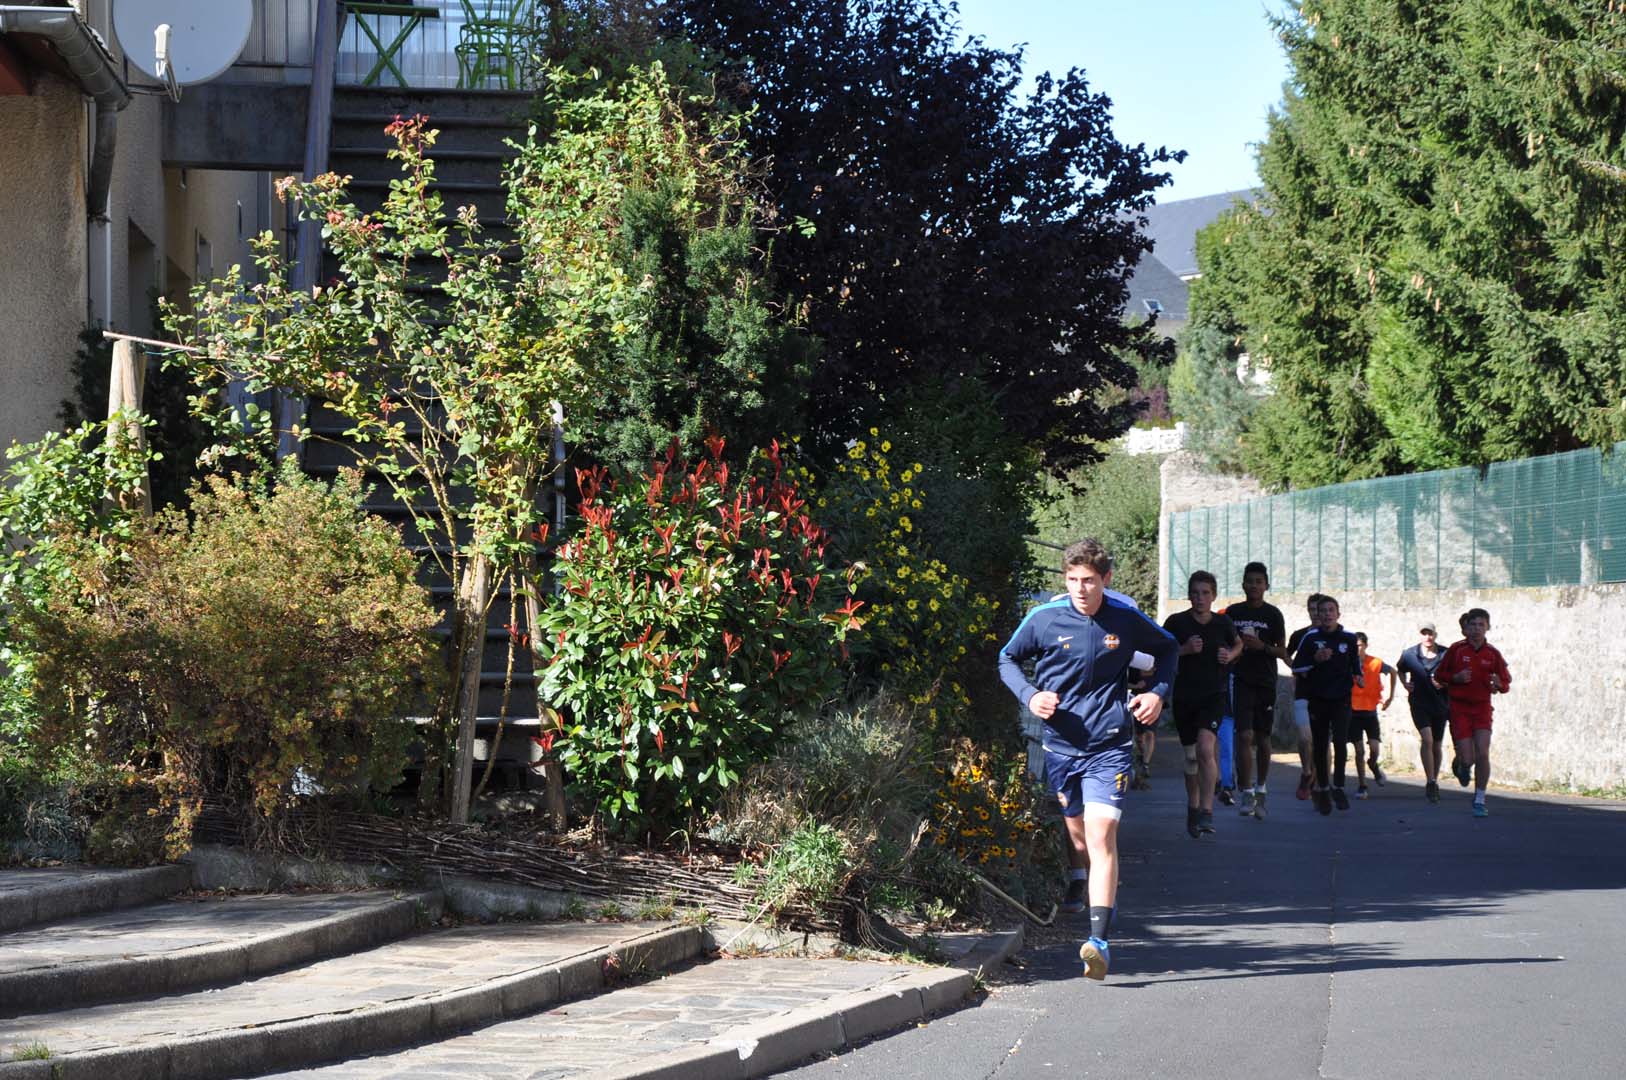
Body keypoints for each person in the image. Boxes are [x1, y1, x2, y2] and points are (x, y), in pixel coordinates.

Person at [999, 538, 1177, 979]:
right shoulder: (1043, 619)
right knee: (1078, 838)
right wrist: (1030, 694)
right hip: (1061, 746)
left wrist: (1156, 694)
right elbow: (1006, 659)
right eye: (1074, 580)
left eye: (1090, 581)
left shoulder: (1125, 618)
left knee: (1102, 838)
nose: (1081, 589)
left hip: (1110, 744)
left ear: (1106, 580)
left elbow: (1170, 649)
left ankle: (1097, 941)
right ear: (1066, 579)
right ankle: (1082, 879)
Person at [1162, 571, 1242, 839]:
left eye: (1205, 593)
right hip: (1185, 696)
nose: (1200, 598)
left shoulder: (1223, 622)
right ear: (1189, 595)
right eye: (1195, 593)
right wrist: (1184, 649)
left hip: (1214, 695)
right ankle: (1193, 806)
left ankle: (1207, 812)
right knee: (1191, 757)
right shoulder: (1176, 622)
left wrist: (1230, 654)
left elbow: (1239, 643)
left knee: (1206, 748)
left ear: (1214, 595)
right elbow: (1161, 651)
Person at [1222, 562, 1287, 820]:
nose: (1254, 586)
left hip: (1266, 681)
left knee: (1262, 738)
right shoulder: (1232, 613)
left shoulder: (1273, 614)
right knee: (1244, 735)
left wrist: (1262, 646)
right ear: (1243, 584)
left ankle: (1261, 786)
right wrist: (1233, 652)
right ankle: (1246, 790)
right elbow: (1224, 643)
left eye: (1259, 582)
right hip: (1240, 679)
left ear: (1266, 586)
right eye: (1250, 581)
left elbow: (1282, 652)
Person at [1433, 608, 1511, 818]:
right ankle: (1461, 763)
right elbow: (1439, 675)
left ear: (1487, 627)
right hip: (1459, 709)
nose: (1477, 629)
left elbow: (1505, 682)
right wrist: (1456, 678)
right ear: (1466, 629)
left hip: (1482, 708)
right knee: (1469, 758)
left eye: (1481, 625)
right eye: (1473, 625)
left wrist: (1499, 684)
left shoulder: (1493, 653)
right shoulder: (1457, 650)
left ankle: (1479, 799)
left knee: (1483, 753)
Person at [1288, 596, 1363, 814]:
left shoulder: (1348, 638)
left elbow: (1354, 663)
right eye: (1323, 611)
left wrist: (1358, 675)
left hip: (1341, 699)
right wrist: (1315, 660)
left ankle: (1338, 786)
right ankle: (1322, 787)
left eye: (1331, 610)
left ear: (1338, 614)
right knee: (1320, 745)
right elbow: (1298, 667)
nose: (1328, 614)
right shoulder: (1310, 638)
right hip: (1318, 698)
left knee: (1340, 741)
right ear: (1318, 616)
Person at [1397, 621, 1449, 802]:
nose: (1427, 637)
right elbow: (1400, 669)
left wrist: (1444, 683)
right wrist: (1405, 683)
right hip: (1419, 703)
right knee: (1427, 739)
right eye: (1424, 633)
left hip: (1441, 704)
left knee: (1436, 745)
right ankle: (1430, 781)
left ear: (1435, 635)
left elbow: (1453, 675)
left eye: (1430, 633)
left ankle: (1434, 780)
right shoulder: (1409, 654)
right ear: (1420, 635)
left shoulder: (1445, 653)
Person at [1286, 595, 1327, 801]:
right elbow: (1285, 654)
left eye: (1318, 609)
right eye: (1311, 609)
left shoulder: (1334, 635)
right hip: (1303, 691)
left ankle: (1322, 783)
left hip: (1327, 694)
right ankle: (1307, 772)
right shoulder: (1300, 635)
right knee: (1305, 737)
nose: (1315, 613)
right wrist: (1296, 667)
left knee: (1322, 741)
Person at [1348, 632, 1396, 799]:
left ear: (1366, 646)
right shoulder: (1347, 663)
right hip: (1352, 712)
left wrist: (1390, 697)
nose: (1357, 649)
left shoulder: (1375, 662)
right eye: (1354, 646)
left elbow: (1393, 672)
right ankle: (1362, 785)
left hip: (1370, 712)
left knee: (1374, 749)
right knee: (1359, 750)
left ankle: (1373, 765)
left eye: (1360, 645)